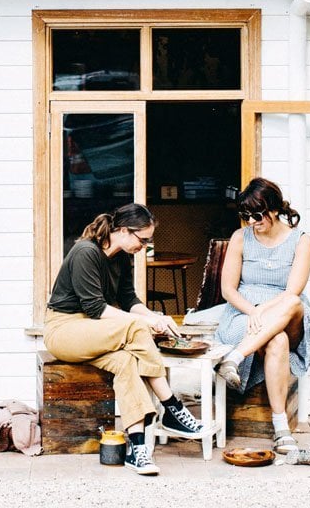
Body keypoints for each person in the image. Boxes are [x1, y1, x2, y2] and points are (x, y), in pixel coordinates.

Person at [44, 203, 208, 476]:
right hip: (63, 330)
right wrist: (146, 323)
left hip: (93, 330)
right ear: (121, 230)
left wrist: (156, 317)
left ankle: (137, 447)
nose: (144, 246)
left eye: (148, 240)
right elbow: (97, 308)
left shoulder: (120, 257)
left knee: (126, 362)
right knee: (136, 328)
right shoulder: (86, 252)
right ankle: (172, 406)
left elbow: (130, 301)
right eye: (142, 239)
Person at [212, 177, 310, 453]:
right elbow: (228, 289)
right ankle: (281, 428)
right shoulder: (240, 237)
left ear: (273, 209)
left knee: (294, 302)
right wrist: (253, 310)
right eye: (245, 215)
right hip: (246, 315)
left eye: (257, 215)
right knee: (277, 341)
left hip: (284, 309)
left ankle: (235, 357)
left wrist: (265, 310)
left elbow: (292, 291)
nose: (251, 222)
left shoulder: (301, 241)